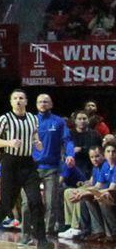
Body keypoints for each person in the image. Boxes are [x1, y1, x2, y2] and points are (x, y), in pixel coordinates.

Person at [0, 89, 52, 249]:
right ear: (11, 102)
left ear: (26, 101)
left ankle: (41, 240)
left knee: (36, 201)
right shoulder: (5, 118)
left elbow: (34, 133)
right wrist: (8, 142)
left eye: (21, 98)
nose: (18, 101)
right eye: (15, 98)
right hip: (10, 163)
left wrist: (37, 142)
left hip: (28, 163)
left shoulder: (32, 118)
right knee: (7, 203)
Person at [33, 93, 75, 240]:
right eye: (40, 102)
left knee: (51, 201)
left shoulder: (58, 122)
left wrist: (70, 154)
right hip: (32, 167)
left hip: (52, 167)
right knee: (30, 201)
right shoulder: (30, 121)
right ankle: (32, 227)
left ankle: (48, 232)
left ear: (51, 104)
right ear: (36, 104)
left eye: (46, 101)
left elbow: (68, 140)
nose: (43, 104)